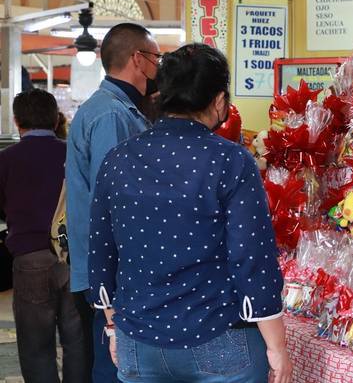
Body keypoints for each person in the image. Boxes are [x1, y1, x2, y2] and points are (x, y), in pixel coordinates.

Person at [88, 43, 293, 383]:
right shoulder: (231, 160)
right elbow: (253, 260)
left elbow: (101, 251)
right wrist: (278, 348)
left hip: (137, 340)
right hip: (221, 339)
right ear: (218, 101)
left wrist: (112, 328)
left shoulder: (118, 160)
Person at [66, 23, 161, 383]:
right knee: (115, 364)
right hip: (112, 270)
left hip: (111, 268)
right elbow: (115, 203)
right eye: (156, 58)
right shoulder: (112, 115)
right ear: (138, 59)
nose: (158, 68)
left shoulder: (121, 110)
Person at [0, 89, 88, 382]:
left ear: (16, 121)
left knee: (36, 346)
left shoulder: (6, 159)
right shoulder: (73, 154)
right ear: (55, 119)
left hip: (29, 259)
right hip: (74, 258)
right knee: (77, 342)